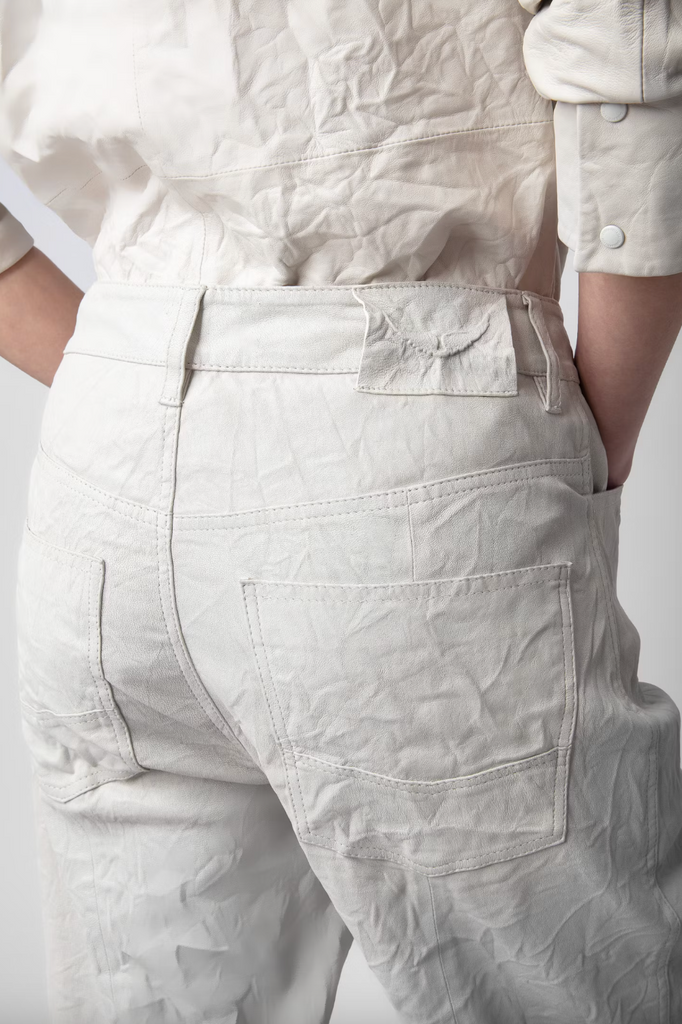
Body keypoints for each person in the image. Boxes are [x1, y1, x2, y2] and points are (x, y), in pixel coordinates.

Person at [1, 1, 681, 1020]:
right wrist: (601, 435)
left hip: (108, 464)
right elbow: (626, 50)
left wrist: (137, 380)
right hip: (414, 432)